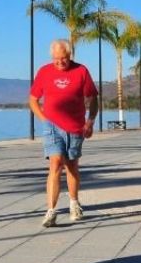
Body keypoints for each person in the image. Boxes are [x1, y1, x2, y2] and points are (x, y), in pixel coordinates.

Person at [28, 39, 97, 227]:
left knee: (72, 166)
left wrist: (90, 122)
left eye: (64, 59)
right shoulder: (44, 71)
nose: (60, 62)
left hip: (76, 127)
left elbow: (93, 98)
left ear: (70, 56)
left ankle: (74, 203)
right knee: (55, 163)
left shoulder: (81, 71)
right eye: (56, 59)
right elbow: (33, 100)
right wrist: (44, 119)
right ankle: (51, 210)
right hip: (52, 126)